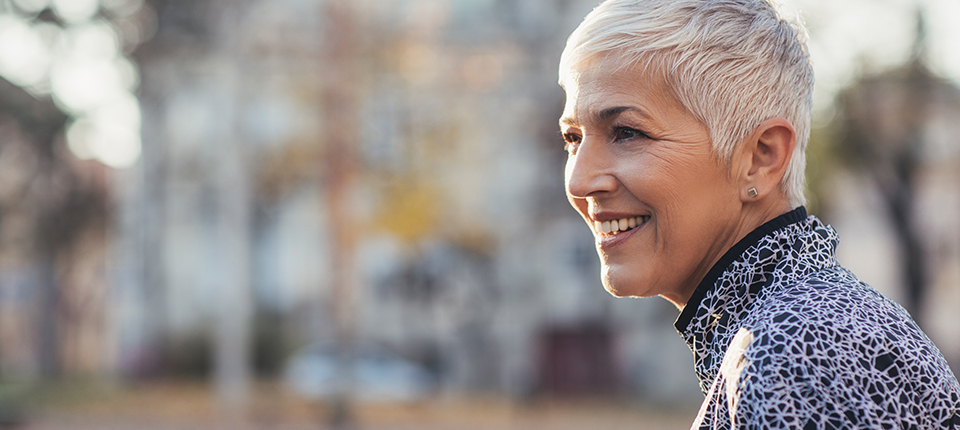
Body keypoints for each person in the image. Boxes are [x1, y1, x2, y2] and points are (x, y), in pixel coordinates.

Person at [557, 0, 960, 428]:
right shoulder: (793, 327)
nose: (579, 181)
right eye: (572, 138)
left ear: (761, 158)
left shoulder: (800, 348)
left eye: (627, 132)